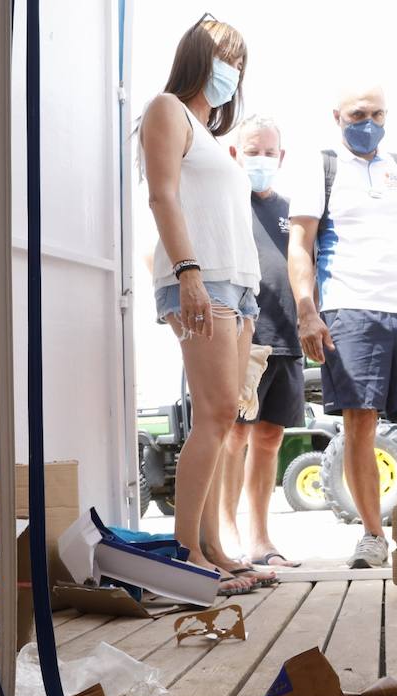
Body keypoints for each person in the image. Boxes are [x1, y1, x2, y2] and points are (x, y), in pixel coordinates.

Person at [140, 16, 274, 595]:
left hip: (237, 288)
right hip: (201, 279)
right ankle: (187, 549)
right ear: (200, 57)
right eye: (227, 58)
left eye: (240, 63)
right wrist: (189, 272)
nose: (233, 71)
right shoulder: (167, 108)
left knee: (227, 418)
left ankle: (215, 545)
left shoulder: (213, 134)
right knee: (216, 412)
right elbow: (161, 194)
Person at [287, 84, 397, 568]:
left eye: (377, 113)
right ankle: (374, 537)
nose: (368, 122)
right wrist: (307, 310)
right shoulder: (322, 165)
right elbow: (300, 244)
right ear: (337, 116)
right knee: (361, 422)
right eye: (358, 113)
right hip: (349, 309)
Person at [215, 115, 303, 569]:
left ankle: (260, 539)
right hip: (241, 340)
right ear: (235, 153)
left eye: (270, 151)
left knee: (269, 438)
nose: (262, 159)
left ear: (282, 157)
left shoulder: (293, 212)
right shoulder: (221, 203)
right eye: (253, 150)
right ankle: (226, 532)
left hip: (286, 339)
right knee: (235, 434)